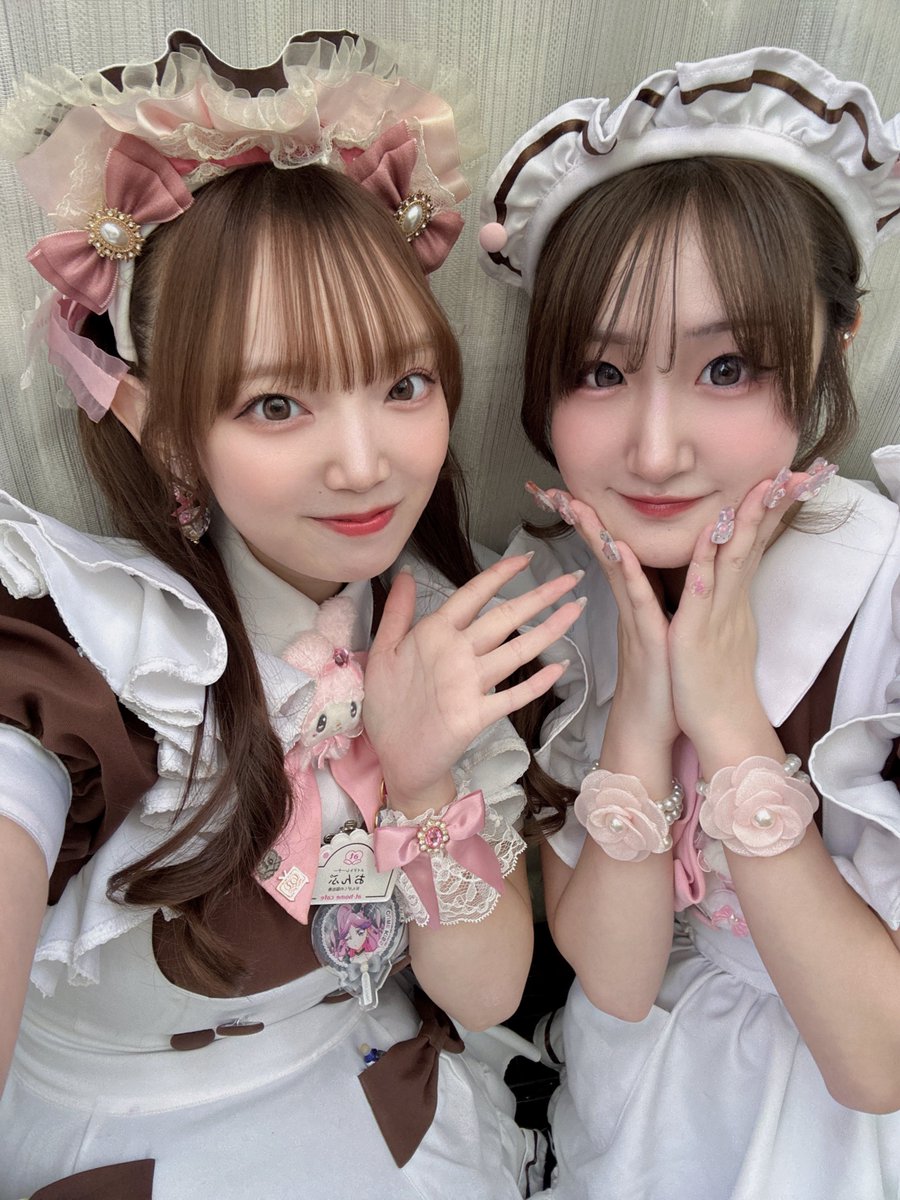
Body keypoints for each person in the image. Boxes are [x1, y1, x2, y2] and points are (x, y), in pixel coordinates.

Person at [0, 31, 585, 1198]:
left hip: (371, 1093)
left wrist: (423, 781)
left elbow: (484, 995)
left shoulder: (451, 625)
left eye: (404, 384)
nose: (366, 464)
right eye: (276, 403)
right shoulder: (81, 658)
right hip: (124, 1145)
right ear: (163, 428)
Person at [478, 46, 900, 1200]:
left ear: (838, 341)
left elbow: (877, 1064)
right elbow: (615, 982)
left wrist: (727, 722)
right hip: (644, 1090)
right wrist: (640, 714)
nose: (656, 451)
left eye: (727, 368)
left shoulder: (885, 588)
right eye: (600, 372)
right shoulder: (554, 599)